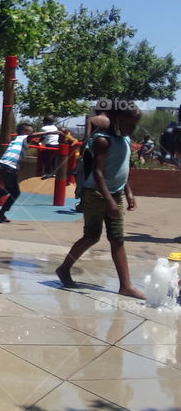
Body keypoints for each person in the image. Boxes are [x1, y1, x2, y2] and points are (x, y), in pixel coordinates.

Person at [56, 104, 144, 299]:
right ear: (115, 119)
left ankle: (125, 285)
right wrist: (109, 201)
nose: (132, 128)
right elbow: (98, 172)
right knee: (92, 236)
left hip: (116, 194)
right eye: (129, 124)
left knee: (117, 239)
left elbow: (122, 168)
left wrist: (128, 192)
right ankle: (64, 268)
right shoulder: (103, 141)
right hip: (96, 194)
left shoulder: (126, 140)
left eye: (135, 125)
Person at [0, 123, 50, 223]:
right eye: (31, 132)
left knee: (9, 189)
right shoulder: (23, 138)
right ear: (24, 133)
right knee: (15, 192)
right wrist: (52, 132)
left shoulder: (17, 140)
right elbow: (32, 137)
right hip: (8, 167)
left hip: (3, 165)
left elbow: (35, 141)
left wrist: (40, 141)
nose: (33, 135)